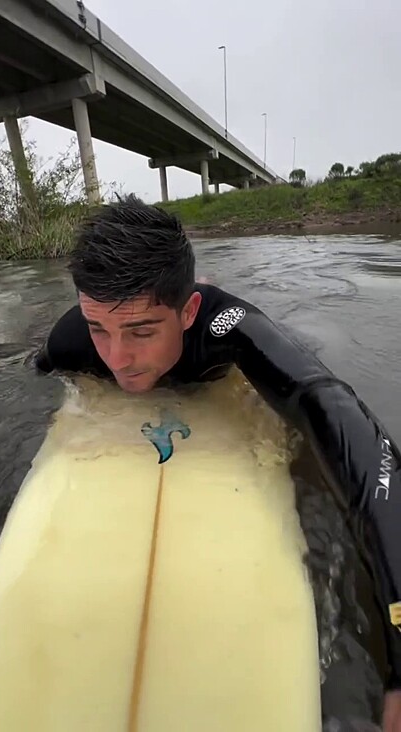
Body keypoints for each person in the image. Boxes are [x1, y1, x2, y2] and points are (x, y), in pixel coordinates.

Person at [35, 194, 401, 730]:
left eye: (140, 331)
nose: (115, 358)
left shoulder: (229, 328)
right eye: (100, 330)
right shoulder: (70, 340)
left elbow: (342, 417)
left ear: (185, 312)